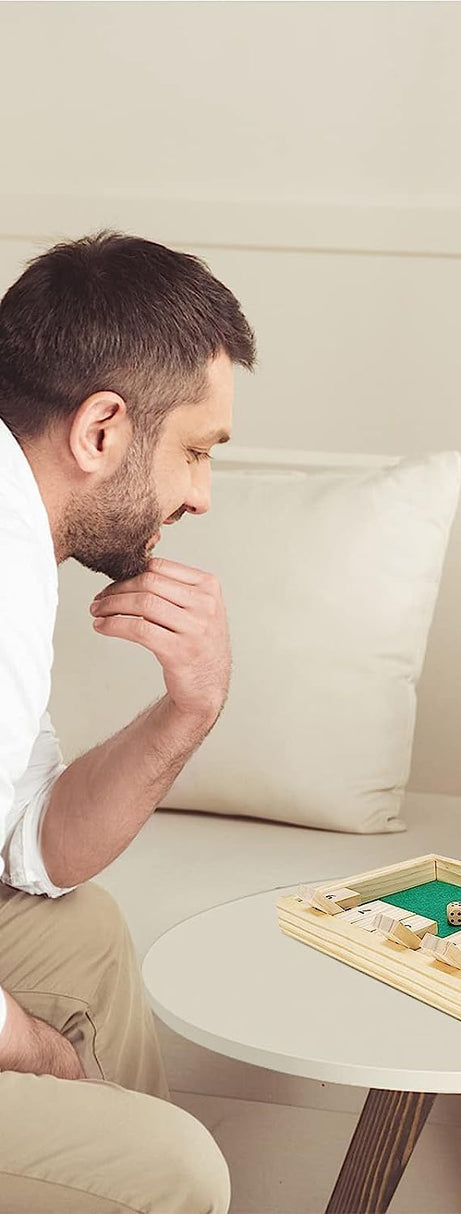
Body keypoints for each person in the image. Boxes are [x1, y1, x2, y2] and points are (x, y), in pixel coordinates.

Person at [0, 231, 255, 1212]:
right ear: (102, 429)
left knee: (82, 933)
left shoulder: (22, 544)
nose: (199, 492)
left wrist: (189, 708)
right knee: (172, 1168)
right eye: (196, 449)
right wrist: (44, 1053)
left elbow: (33, 845)